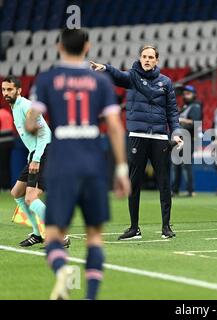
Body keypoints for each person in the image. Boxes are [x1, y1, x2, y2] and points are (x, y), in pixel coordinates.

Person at [26, 28, 130, 300]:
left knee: (53, 235)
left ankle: (63, 271)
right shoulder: (102, 82)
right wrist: (121, 168)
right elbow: (116, 128)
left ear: (59, 46)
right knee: (95, 236)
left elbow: (30, 122)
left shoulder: (47, 79)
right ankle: (90, 297)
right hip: (94, 163)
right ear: (88, 46)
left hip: (62, 163)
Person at [90, 45, 182, 240]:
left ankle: (166, 227)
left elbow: (172, 111)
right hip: (137, 136)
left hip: (159, 137)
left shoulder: (166, 82)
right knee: (134, 183)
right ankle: (134, 228)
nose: (147, 60)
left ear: (157, 60)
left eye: (151, 57)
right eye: (144, 56)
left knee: (164, 184)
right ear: (140, 58)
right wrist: (105, 68)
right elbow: (118, 75)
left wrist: (175, 132)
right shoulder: (132, 77)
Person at [1, 76, 52, 247]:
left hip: (44, 152)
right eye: (3, 89)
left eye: (9, 89)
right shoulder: (14, 107)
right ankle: (38, 234)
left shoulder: (26, 106)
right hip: (35, 153)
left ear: (19, 90)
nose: (6, 93)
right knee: (16, 193)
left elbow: (44, 133)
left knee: (30, 198)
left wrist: (36, 158)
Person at [172, 85, 202, 197]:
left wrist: (182, 120)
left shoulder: (196, 106)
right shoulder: (185, 107)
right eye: (184, 94)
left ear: (194, 94)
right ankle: (175, 190)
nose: (186, 96)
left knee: (185, 165)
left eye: (188, 93)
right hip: (180, 139)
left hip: (189, 139)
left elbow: (196, 122)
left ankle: (190, 190)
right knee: (176, 165)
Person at [0, 106, 14, 190]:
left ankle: (3, 186)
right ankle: (7, 185)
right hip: (10, 142)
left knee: (1, 165)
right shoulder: (7, 113)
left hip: (1, 142)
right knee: (7, 165)